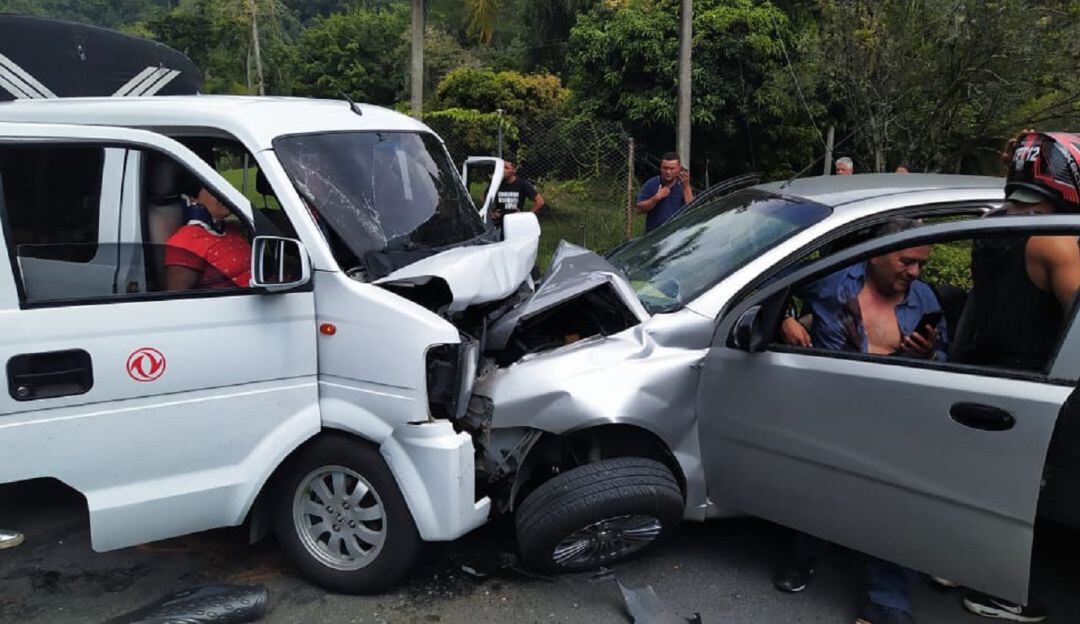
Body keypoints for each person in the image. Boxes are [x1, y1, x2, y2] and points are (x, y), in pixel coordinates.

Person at [779, 219, 947, 624]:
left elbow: (948, 359)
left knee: (894, 501)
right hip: (830, 408)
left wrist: (928, 355)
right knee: (823, 489)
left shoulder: (924, 299)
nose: (915, 272)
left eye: (921, 264)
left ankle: (887, 599)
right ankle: (806, 552)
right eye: (906, 261)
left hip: (894, 417)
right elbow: (768, 279)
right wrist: (785, 318)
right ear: (876, 254)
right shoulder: (830, 280)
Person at [948, 131, 1080, 623]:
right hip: (1034, 381)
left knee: (980, 482)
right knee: (1020, 492)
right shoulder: (1054, 239)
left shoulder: (994, 223)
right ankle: (998, 590)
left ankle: (950, 563)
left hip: (983, 368)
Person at [164, 184, 252, 291]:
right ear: (192, 199)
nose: (223, 195)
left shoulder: (231, 230)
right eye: (213, 190)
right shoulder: (186, 241)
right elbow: (178, 297)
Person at [636, 152, 694, 232]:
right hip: (655, 234)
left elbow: (691, 210)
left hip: (678, 233)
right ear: (661, 167)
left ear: (679, 168)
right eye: (665, 168)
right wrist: (656, 198)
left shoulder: (683, 185)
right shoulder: (652, 184)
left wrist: (686, 187)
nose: (668, 172)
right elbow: (639, 209)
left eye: (672, 169)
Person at [492, 157, 544, 225]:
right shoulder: (496, 183)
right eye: (501, 167)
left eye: (506, 168)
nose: (503, 170)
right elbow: (484, 197)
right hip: (498, 221)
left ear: (514, 170)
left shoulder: (522, 184)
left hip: (515, 221)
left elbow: (540, 201)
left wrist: (526, 216)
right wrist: (491, 213)